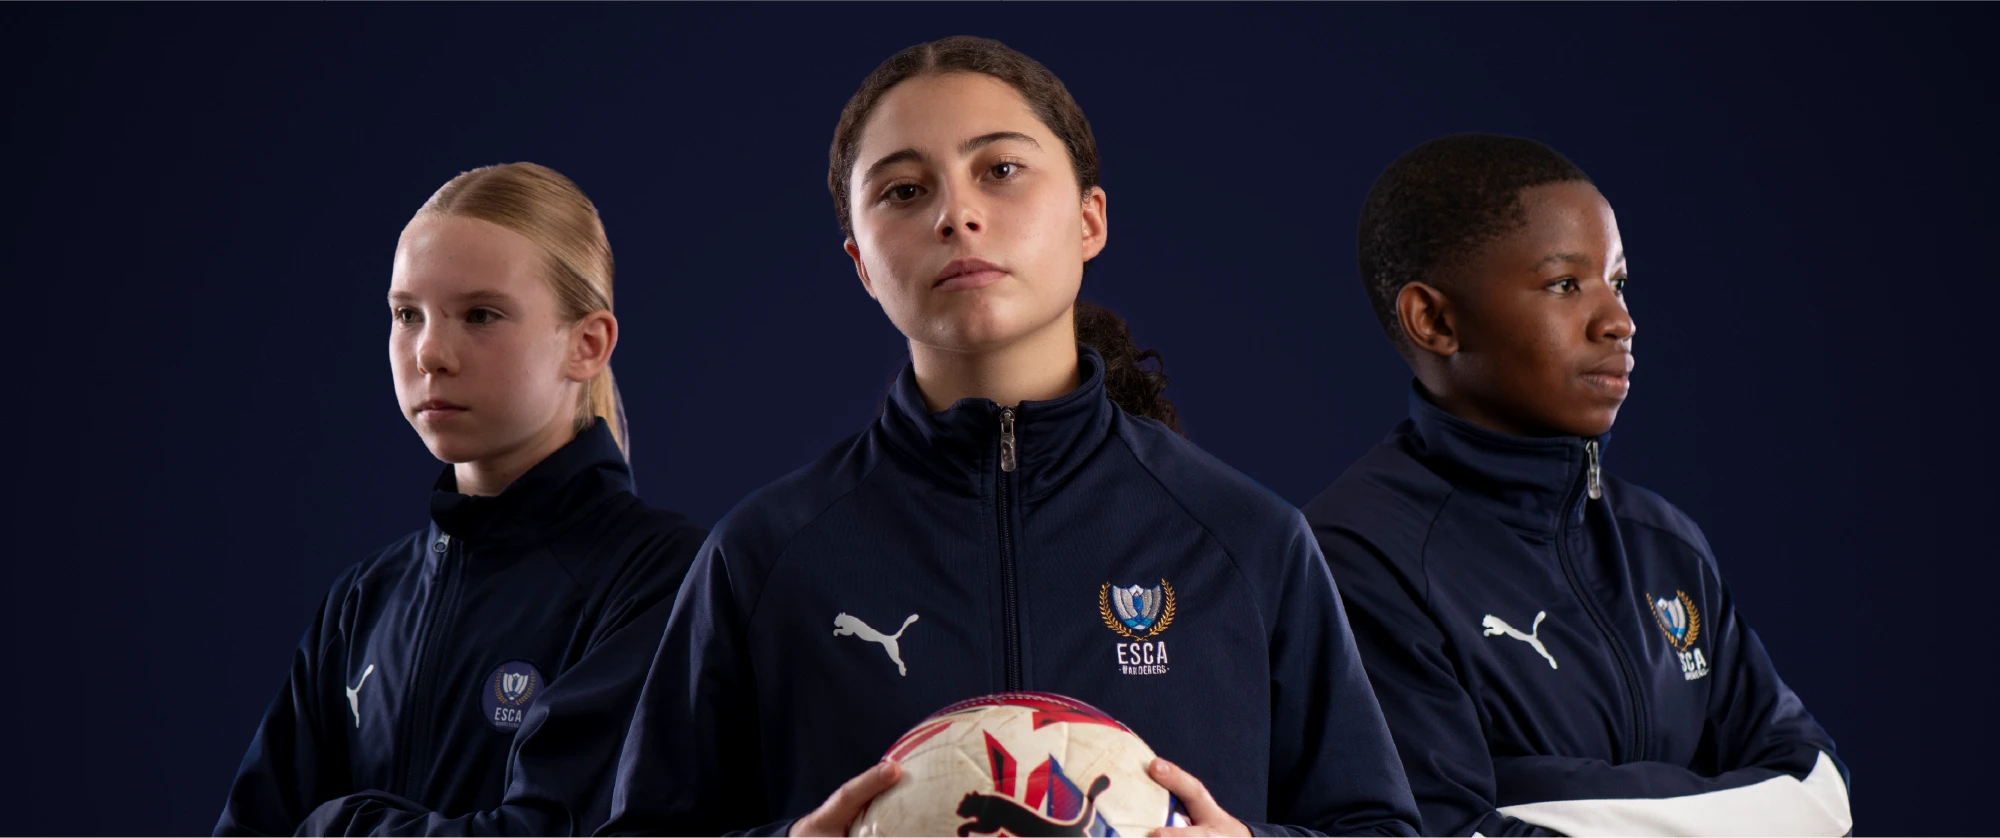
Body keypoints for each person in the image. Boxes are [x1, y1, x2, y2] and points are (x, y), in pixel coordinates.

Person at [599, 36, 1419, 838]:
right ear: (861, 263)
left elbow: (1376, 825)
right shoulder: (762, 556)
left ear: (1090, 220)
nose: (956, 215)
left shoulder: (1249, 540)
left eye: (1000, 170)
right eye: (904, 191)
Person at [1304, 134, 1852, 838]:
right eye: (1566, 284)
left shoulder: (1666, 545)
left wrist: (1545, 796)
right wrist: (1716, 802)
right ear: (1435, 320)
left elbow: (1818, 795)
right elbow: (1443, 829)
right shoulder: (1356, 558)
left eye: (1617, 282)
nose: (1619, 322)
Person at [215, 162, 706, 838]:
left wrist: (335, 826)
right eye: (406, 314)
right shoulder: (364, 601)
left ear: (587, 344)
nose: (429, 353)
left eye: (480, 315)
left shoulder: (663, 580)